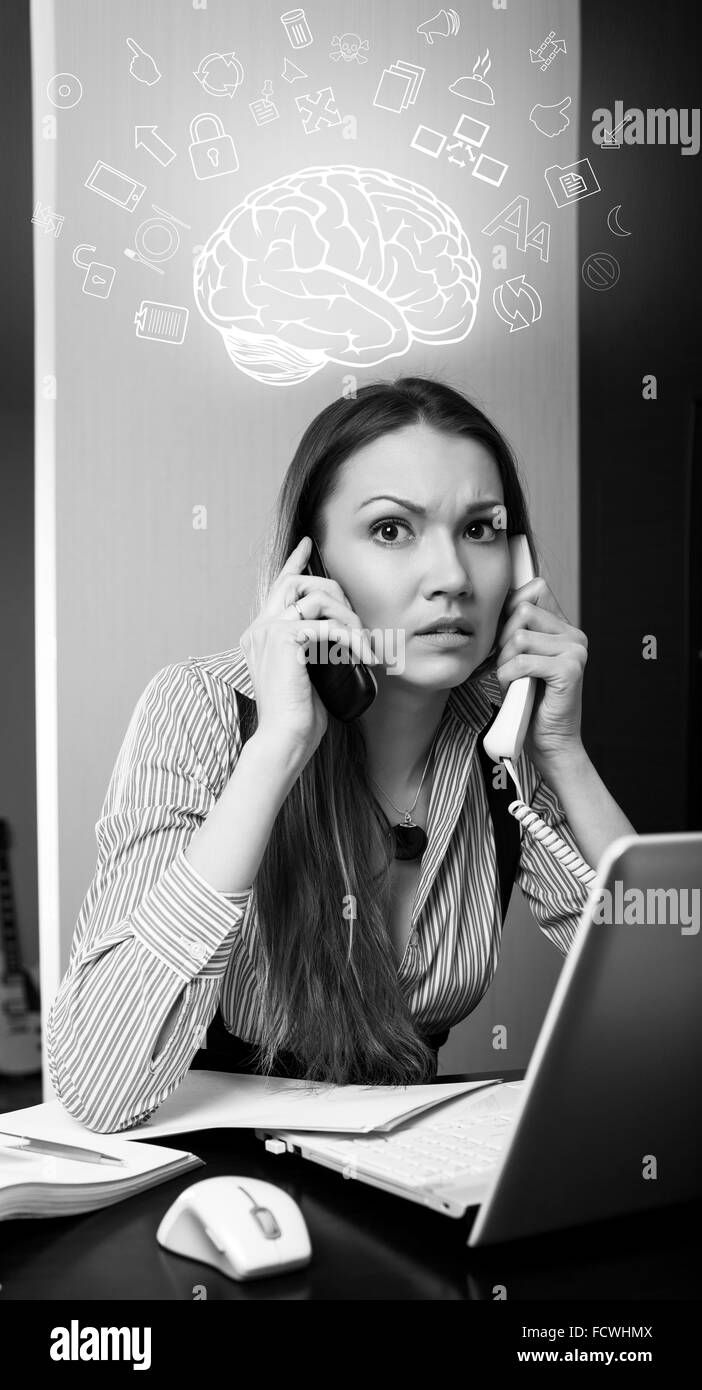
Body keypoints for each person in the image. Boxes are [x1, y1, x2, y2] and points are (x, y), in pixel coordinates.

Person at [47, 375, 635, 1133]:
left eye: (480, 530)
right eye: (392, 530)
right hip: (222, 1178)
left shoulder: (505, 742)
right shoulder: (200, 707)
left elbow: (675, 1008)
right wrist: (277, 749)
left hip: (407, 1173)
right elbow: (95, 1089)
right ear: (315, 565)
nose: (453, 579)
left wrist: (562, 750)